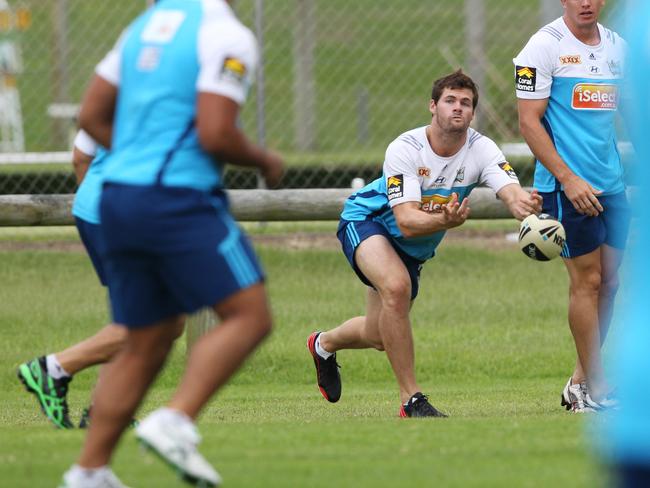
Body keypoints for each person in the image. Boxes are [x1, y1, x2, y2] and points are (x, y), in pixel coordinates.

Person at [59, 0, 283, 486]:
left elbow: (91, 115)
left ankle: (89, 472)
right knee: (250, 315)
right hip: (175, 199)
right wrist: (265, 159)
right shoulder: (227, 34)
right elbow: (216, 132)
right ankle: (175, 420)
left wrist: (138, 154)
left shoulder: (142, 28)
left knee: (146, 338)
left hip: (115, 199)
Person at [307, 70, 542, 418]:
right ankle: (411, 400)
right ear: (433, 106)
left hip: (412, 248)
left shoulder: (481, 148)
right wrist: (444, 221)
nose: (457, 108)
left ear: (473, 113)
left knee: (377, 335)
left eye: (465, 103)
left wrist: (520, 203)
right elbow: (406, 219)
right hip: (368, 222)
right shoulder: (405, 148)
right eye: (450, 101)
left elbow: (506, 186)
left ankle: (323, 344)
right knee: (397, 287)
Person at [513, 0, 628, 413]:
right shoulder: (542, 47)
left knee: (611, 283)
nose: (586, 2)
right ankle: (597, 386)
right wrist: (568, 178)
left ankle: (579, 382)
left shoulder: (618, 46)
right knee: (588, 282)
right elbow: (528, 122)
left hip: (611, 186)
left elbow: (632, 111)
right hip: (565, 188)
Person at [17, 130, 148, 430]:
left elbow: (80, 155)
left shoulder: (121, 86)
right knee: (154, 321)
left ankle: (104, 409)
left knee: (152, 318)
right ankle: (53, 369)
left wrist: (92, 197)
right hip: (125, 215)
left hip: (100, 211)